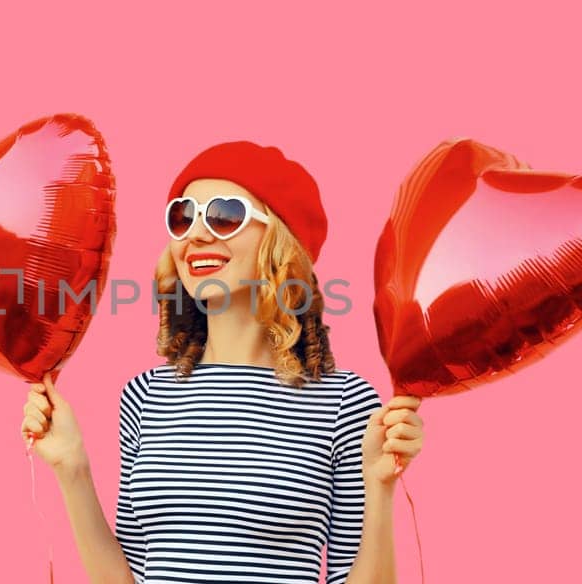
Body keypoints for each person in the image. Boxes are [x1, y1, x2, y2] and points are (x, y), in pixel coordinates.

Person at [21, 142, 425, 584]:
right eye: (183, 216)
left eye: (224, 214)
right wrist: (73, 468)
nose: (196, 233)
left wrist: (380, 488)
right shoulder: (146, 395)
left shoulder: (343, 401)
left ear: (281, 240)